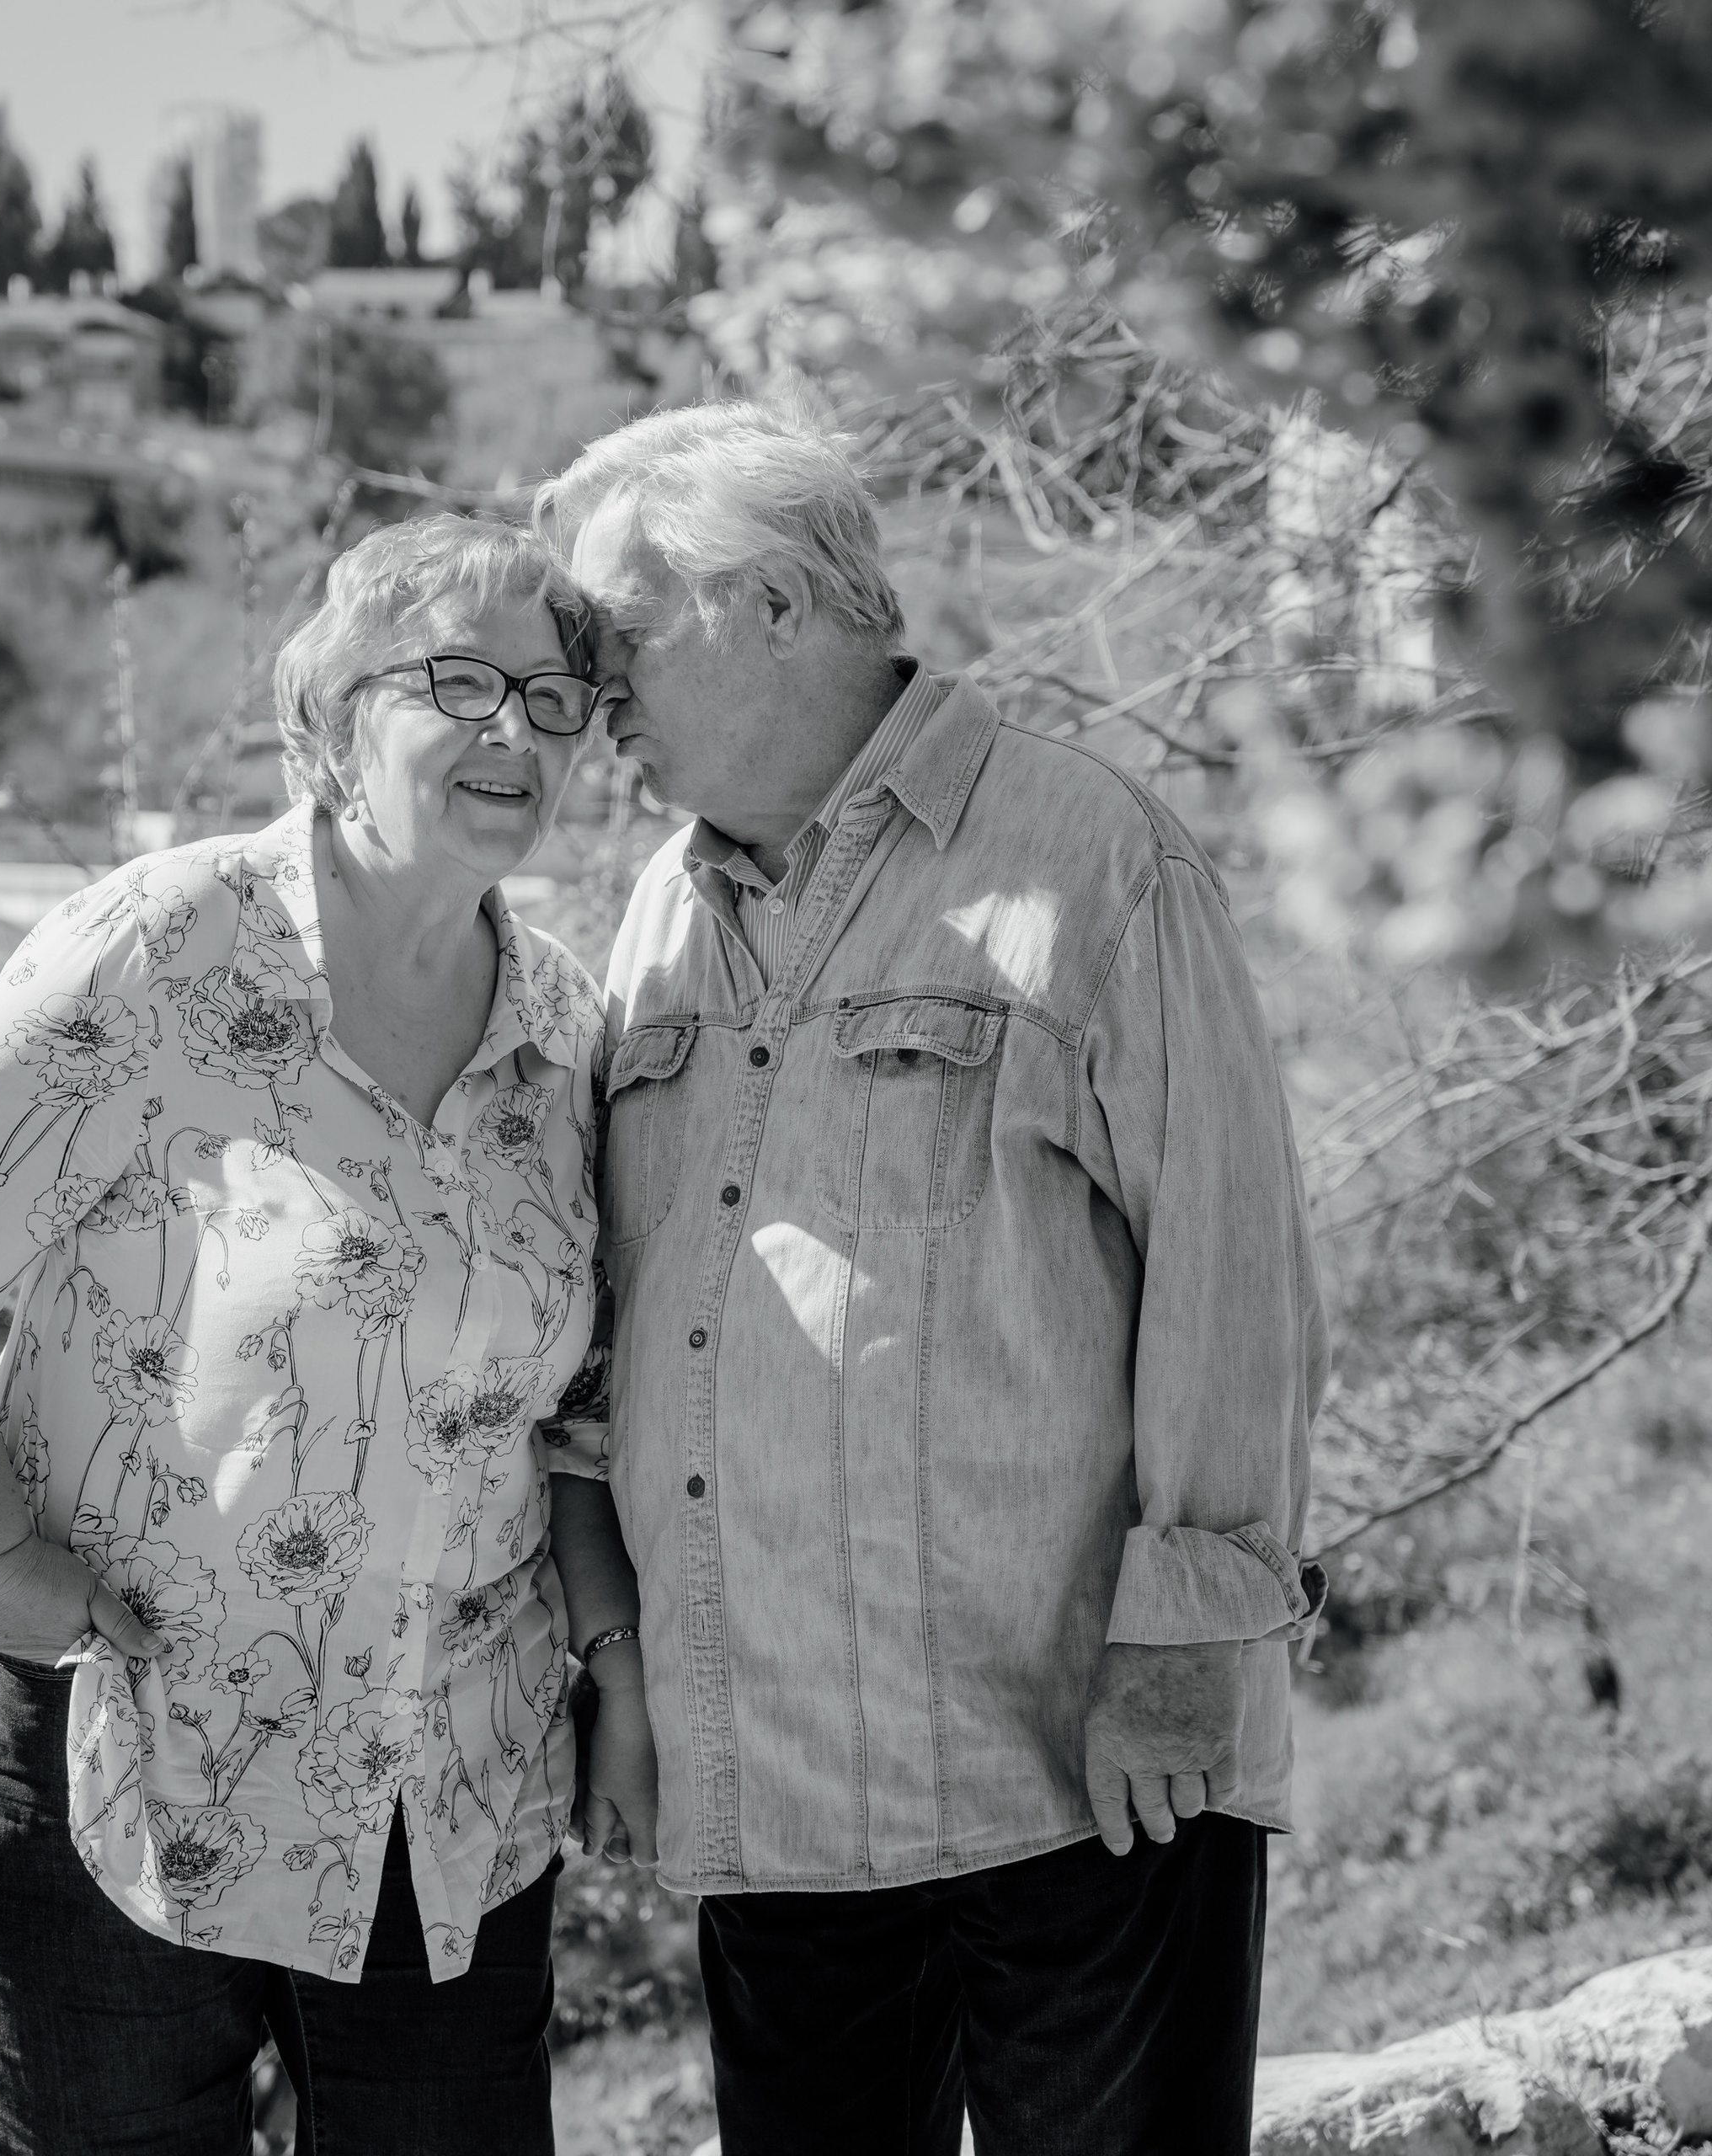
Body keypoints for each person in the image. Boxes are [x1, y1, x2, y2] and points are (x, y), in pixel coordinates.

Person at [0, 515, 659, 2156]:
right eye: (462, 682)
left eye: (555, 699)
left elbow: (580, 1404)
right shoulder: (171, 939)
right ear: (331, 716)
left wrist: (616, 1661)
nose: (517, 731)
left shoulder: (563, 1027)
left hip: (450, 1780)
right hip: (113, 1737)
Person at [535, 406, 1328, 2156]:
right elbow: (615, 1336)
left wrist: (1187, 1635)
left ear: (770, 603)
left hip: (1082, 1772)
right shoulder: (658, 913)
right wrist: (627, 1670)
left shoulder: (1088, 853)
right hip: (778, 1798)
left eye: (617, 631)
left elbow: (1235, 1276)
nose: (588, 688)